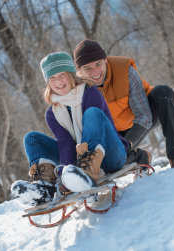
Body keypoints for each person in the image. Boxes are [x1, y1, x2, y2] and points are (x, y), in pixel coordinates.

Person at [11, 52, 141, 206]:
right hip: (79, 161)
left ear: (71, 74)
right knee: (31, 138)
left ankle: (88, 174)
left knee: (92, 113)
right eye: (52, 77)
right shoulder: (52, 113)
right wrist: (63, 178)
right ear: (47, 82)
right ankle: (45, 188)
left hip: (110, 154)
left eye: (62, 75)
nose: (58, 81)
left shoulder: (90, 92)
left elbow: (93, 129)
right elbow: (65, 143)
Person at [73, 40, 174, 168]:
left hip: (145, 115)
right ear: (79, 69)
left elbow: (144, 115)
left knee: (163, 92)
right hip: (115, 132)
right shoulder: (78, 90)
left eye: (98, 64)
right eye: (87, 68)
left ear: (105, 59)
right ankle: (141, 158)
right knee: (110, 160)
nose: (95, 72)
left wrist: (126, 143)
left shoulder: (124, 71)